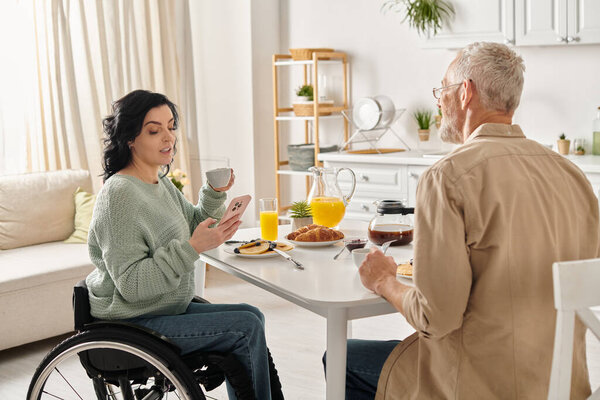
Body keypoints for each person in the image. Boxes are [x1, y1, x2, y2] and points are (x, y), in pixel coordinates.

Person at [333, 42, 600, 399]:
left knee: (340, 359)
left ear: (465, 93)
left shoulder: (448, 177)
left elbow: (436, 317)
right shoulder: (572, 175)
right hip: (564, 384)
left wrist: (384, 281)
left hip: (480, 384)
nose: (438, 102)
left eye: (442, 90)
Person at [86, 89, 280, 399]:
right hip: (132, 321)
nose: (169, 138)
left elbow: (193, 223)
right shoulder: (119, 195)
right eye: (154, 130)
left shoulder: (158, 181)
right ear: (130, 139)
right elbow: (131, 285)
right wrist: (191, 248)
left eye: (171, 126)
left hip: (163, 308)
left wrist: (214, 193)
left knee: (252, 315)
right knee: (246, 326)